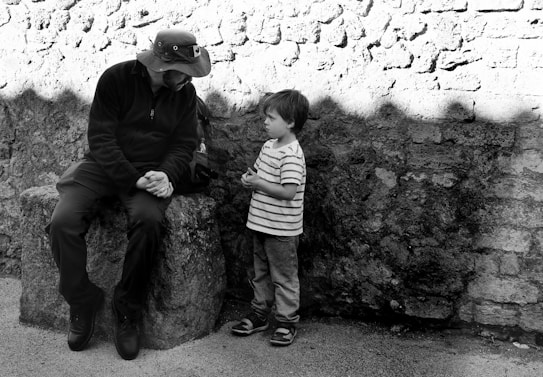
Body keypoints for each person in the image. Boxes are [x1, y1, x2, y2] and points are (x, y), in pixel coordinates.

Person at [46, 29, 211, 360]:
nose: (190, 78)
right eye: (184, 71)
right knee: (63, 222)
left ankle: (128, 310)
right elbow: (101, 139)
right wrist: (132, 178)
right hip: (105, 166)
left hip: (152, 170)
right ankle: (82, 300)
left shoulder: (185, 93)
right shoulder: (116, 79)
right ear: (161, 65)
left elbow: (183, 144)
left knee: (149, 222)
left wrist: (167, 174)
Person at [231, 89, 309, 346]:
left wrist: (259, 183)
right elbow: (260, 177)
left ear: (290, 123)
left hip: (282, 230)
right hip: (260, 224)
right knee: (260, 272)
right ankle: (260, 313)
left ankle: (286, 321)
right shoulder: (268, 147)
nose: (265, 122)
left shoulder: (292, 155)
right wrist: (250, 179)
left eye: (271, 118)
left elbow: (288, 191)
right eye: (266, 117)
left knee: (284, 276)